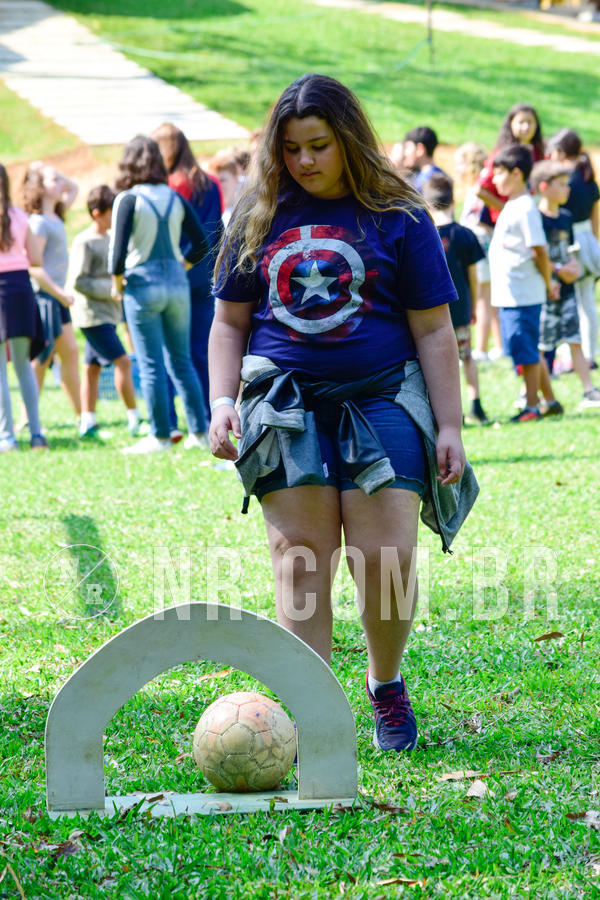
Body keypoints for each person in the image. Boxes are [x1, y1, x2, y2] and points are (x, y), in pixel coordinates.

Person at [209, 74, 478, 754]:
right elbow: (228, 323)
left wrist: (449, 423)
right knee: (299, 560)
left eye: (319, 146)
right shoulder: (256, 213)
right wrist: (220, 401)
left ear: (349, 140)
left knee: (387, 557)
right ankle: (313, 705)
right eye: (292, 149)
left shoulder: (401, 215)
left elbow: (435, 330)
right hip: (285, 405)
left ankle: (385, 684)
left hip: (383, 397)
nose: (304, 161)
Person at [108, 135, 209, 454]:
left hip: (142, 286)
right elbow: (203, 244)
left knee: (151, 363)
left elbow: (117, 253)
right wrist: (183, 263)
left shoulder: (127, 199)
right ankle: (200, 432)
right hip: (178, 286)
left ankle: (161, 435)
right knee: (181, 360)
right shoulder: (175, 197)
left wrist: (116, 285)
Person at [152, 123, 224, 425]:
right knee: (201, 350)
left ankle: (169, 420)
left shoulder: (172, 185)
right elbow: (217, 227)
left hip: (179, 271)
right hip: (206, 273)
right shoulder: (211, 182)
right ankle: (209, 415)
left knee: (171, 351)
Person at [488, 145, 561, 421]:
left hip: (522, 293)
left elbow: (539, 250)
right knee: (527, 346)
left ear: (516, 173)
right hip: (511, 293)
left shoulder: (525, 208)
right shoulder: (513, 205)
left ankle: (531, 407)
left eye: (499, 174)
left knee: (526, 350)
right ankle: (550, 400)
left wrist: (548, 282)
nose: (494, 181)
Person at [69, 185, 141, 438]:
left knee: (91, 367)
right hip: (91, 316)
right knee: (122, 361)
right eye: (111, 212)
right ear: (97, 213)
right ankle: (135, 418)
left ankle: (87, 423)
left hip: (108, 315)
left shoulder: (113, 239)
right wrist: (112, 288)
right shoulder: (84, 241)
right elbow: (78, 280)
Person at [530, 160, 600, 409]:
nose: (568, 190)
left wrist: (572, 267)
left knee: (574, 338)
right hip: (543, 290)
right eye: (561, 185)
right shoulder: (535, 218)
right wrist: (555, 274)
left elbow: (568, 250)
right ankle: (530, 393)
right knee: (540, 343)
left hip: (566, 289)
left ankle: (589, 389)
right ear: (544, 187)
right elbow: (537, 255)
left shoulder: (567, 217)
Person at [423, 173, 489, 425]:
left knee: (440, 363)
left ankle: (450, 412)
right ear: (453, 201)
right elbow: (473, 277)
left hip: (432, 313)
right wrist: (472, 303)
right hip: (461, 309)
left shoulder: (423, 235)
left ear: (426, 203)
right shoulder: (464, 234)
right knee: (467, 356)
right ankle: (477, 405)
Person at [22, 162, 81, 421]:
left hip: (58, 298)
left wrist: (50, 170)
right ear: (40, 188)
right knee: (42, 359)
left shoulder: (56, 216)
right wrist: (60, 293)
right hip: (45, 298)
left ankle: (84, 417)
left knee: (70, 352)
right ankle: (28, 418)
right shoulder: (37, 223)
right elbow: (34, 268)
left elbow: (75, 187)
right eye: (52, 180)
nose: (60, 183)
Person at [0, 164, 47, 450]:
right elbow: (36, 258)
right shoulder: (18, 215)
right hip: (20, 290)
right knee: (23, 366)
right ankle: (37, 434)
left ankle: (6, 436)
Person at [548, 128, 600, 370]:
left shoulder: (564, 179)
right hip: (590, 241)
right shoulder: (587, 176)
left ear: (559, 152)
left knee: (572, 303)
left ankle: (573, 358)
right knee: (587, 301)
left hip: (570, 241)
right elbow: (595, 219)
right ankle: (590, 354)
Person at [455, 141, 502, 361]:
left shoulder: (478, 186)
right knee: (489, 296)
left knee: (483, 296)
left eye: (461, 163)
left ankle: (482, 348)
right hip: (484, 240)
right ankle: (500, 346)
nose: (458, 169)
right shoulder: (480, 183)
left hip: (481, 240)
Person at [476, 103, 544, 226]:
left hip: (530, 219)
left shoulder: (539, 153)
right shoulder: (502, 155)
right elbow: (480, 190)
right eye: (521, 122)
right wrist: (508, 210)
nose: (526, 127)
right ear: (511, 124)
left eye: (530, 122)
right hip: (502, 222)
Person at [402, 126, 446, 193]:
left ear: (420, 149)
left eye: (407, 147)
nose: (405, 153)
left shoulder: (435, 182)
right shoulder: (440, 177)